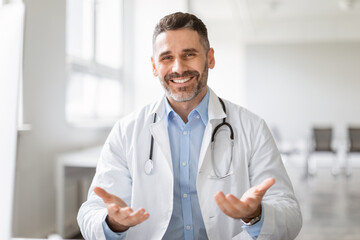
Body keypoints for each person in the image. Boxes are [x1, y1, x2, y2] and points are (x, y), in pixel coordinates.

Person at [77, 12, 302, 240]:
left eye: (189, 54)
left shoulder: (252, 128)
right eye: (166, 58)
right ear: (154, 66)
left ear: (210, 58)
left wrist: (256, 215)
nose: (178, 68)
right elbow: (90, 213)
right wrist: (113, 223)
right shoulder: (126, 132)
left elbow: (290, 214)